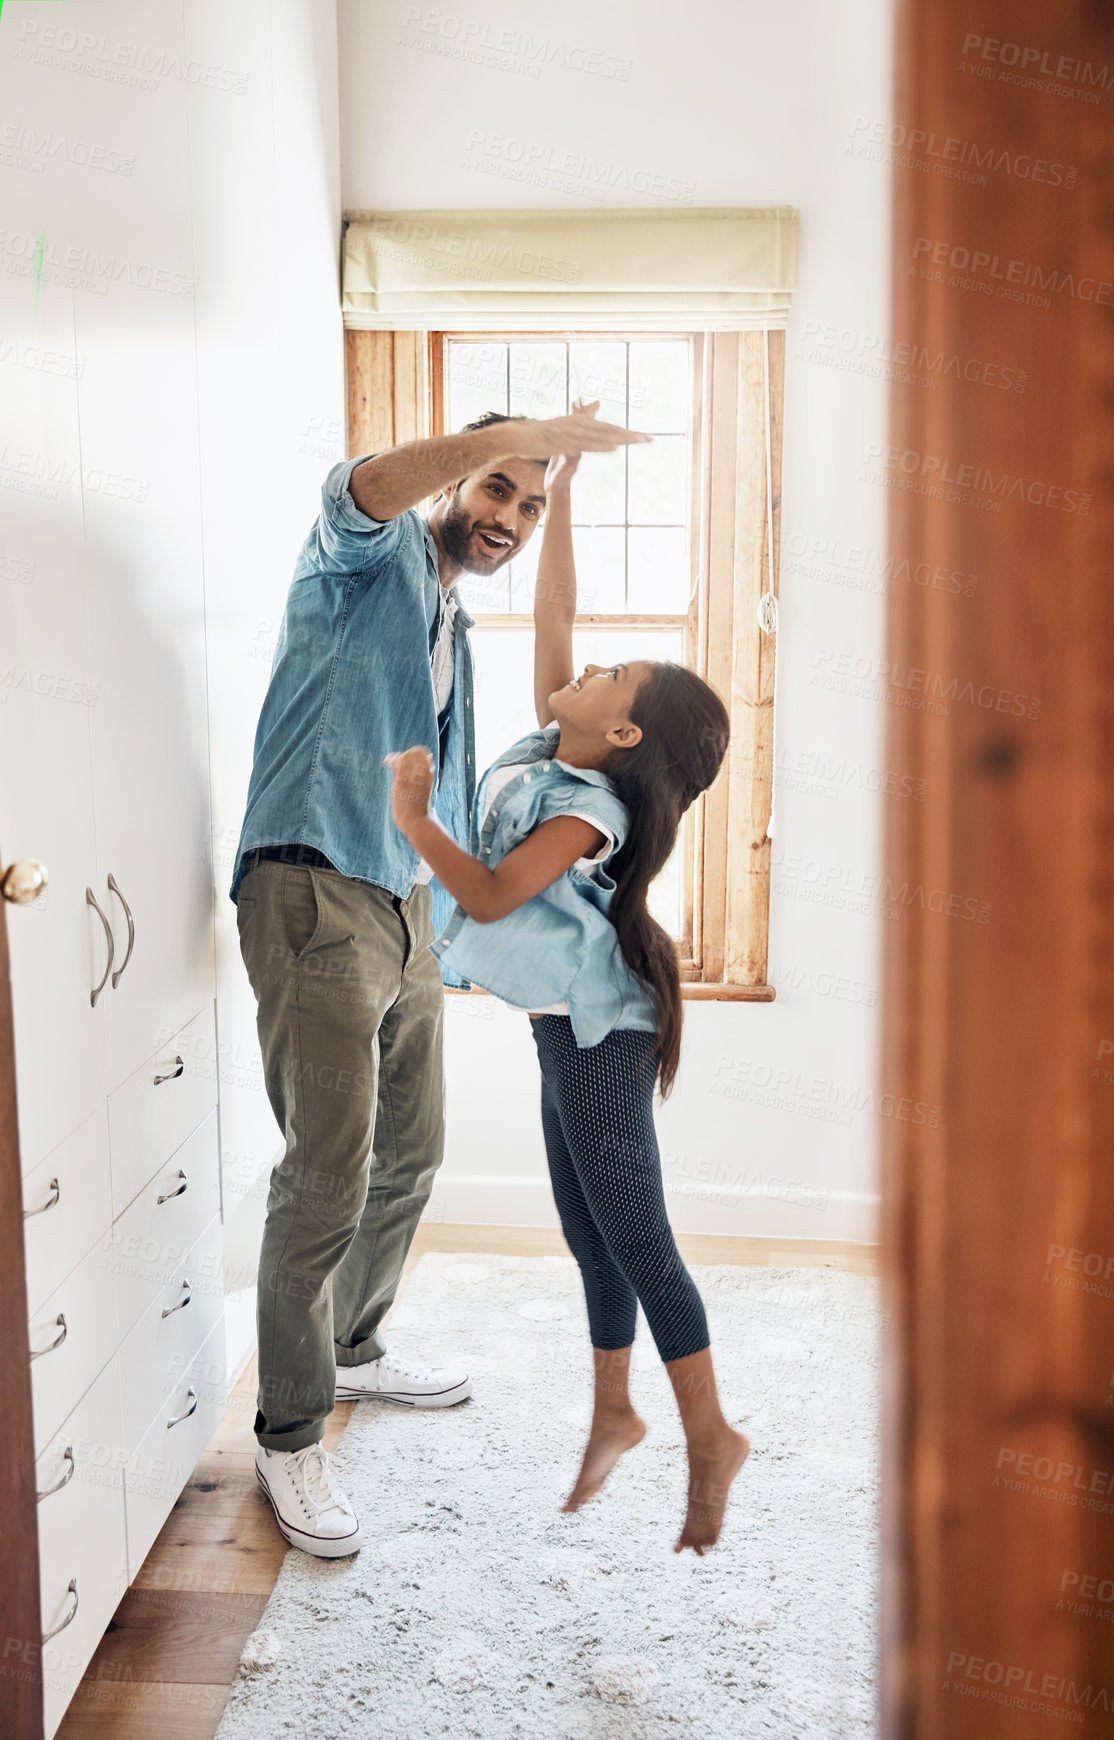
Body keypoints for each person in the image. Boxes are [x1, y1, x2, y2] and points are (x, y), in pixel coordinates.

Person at [231, 404, 646, 1558]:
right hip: (313, 884)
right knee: (325, 1172)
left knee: (410, 1149)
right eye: (496, 489)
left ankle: (356, 1347)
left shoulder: (449, 620)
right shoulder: (365, 556)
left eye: (529, 503)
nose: (506, 515)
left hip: (399, 903)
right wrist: (514, 434)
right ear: (454, 481)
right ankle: (289, 1431)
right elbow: (360, 486)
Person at [386, 410, 750, 1554]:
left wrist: (412, 820)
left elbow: (490, 896)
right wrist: (569, 487)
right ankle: (613, 1410)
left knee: (637, 1236)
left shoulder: (586, 807)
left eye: (609, 675)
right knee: (585, 1229)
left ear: (625, 730)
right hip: (563, 1025)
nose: (584, 666)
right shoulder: (559, 746)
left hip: (602, 1034)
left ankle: (709, 1435)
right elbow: (554, 610)